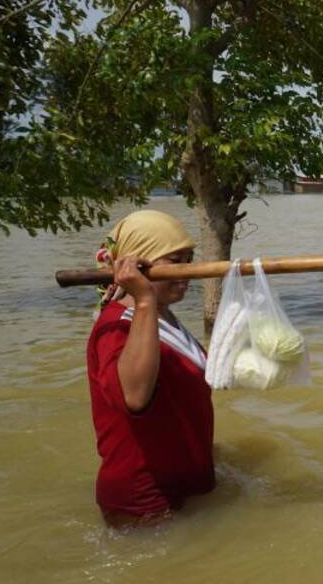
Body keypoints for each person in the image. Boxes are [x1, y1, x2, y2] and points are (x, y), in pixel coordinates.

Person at [86, 210, 214, 527]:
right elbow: (135, 396)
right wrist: (143, 298)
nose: (188, 271)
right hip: (146, 503)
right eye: (175, 260)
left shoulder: (164, 316)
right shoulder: (116, 327)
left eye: (190, 258)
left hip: (186, 487)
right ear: (140, 267)